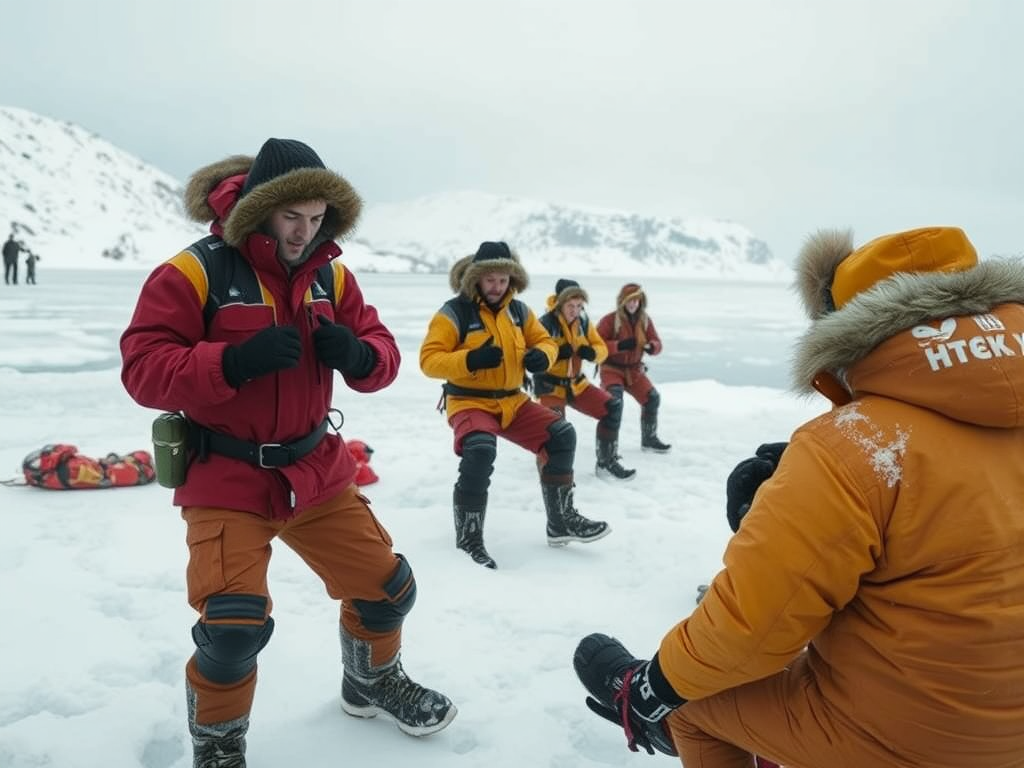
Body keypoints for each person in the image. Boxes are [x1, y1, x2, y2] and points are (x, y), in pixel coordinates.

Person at [573, 226, 1024, 767]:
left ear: (849, 329)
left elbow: (751, 631)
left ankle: (666, 718)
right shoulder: (873, 449)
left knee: (692, 703)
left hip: (921, 743)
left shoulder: (852, 448)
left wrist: (653, 685)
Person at [120, 138, 455, 768]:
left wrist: (359, 357)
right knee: (232, 630)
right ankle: (219, 744)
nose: (305, 232)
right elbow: (142, 368)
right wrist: (232, 361)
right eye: (291, 217)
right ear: (259, 208)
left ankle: (371, 684)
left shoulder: (332, 274)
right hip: (226, 477)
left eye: (318, 218)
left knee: (388, 591)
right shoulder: (193, 273)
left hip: (317, 471)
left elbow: (381, 349)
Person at [419, 242, 611, 570]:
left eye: (504, 280)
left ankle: (560, 523)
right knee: (480, 450)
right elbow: (429, 360)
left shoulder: (519, 312)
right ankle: (469, 539)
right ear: (476, 278)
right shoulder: (454, 312)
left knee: (562, 434)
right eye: (490, 279)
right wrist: (470, 358)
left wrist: (544, 356)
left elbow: (546, 342)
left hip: (513, 400)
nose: (497, 287)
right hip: (469, 400)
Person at [533, 278, 635, 481]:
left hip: (576, 385)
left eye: (579, 306)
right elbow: (532, 357)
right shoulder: (545, 324)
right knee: (556, 433)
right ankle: (551, 474)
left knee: (612, 408)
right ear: (559, 304)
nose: (575, 310)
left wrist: (591, 352)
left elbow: (602, 350)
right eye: (570, 306)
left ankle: (606, 463)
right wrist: (555, 353)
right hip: (550, 387)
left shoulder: (584, 322)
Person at [596, 283, 671, 453]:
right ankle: (608, 451)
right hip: (612, 369)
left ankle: (649, 439)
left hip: (634, 371)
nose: (633, 304)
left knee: (652, 398)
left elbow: (657, 343)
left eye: (636, 300)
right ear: (622, 301)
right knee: (614, 403)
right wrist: (619, 345)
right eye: (630, 300)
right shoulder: (609, 320)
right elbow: (596, 346)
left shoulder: (645, 320)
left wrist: (652, 347)